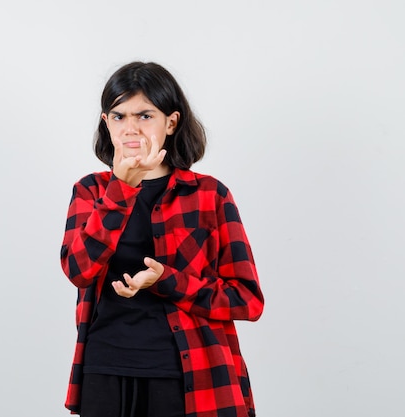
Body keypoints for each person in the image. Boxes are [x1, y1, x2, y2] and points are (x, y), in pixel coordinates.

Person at [59, 61, 264, 417]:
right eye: (118, 116)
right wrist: (121, 189)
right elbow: (78, 270)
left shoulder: (209, 196)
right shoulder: (91, 191)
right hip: (105, 371)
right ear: (106, 123)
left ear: (171, 122)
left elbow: (247, 300)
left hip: (190, 375)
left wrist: (166, 282)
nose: (131, 128)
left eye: (144, 115)